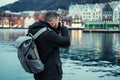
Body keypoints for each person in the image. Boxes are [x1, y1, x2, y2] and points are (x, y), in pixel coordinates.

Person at [28, 12, 70, 80]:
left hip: (38, 71)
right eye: (58, 21)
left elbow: (46, 42)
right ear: (53, 22)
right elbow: (66, 42)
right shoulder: (48, 34)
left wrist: (55, 30)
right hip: (50, 74)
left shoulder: (34, 29)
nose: (59, 23)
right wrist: (64, 28)